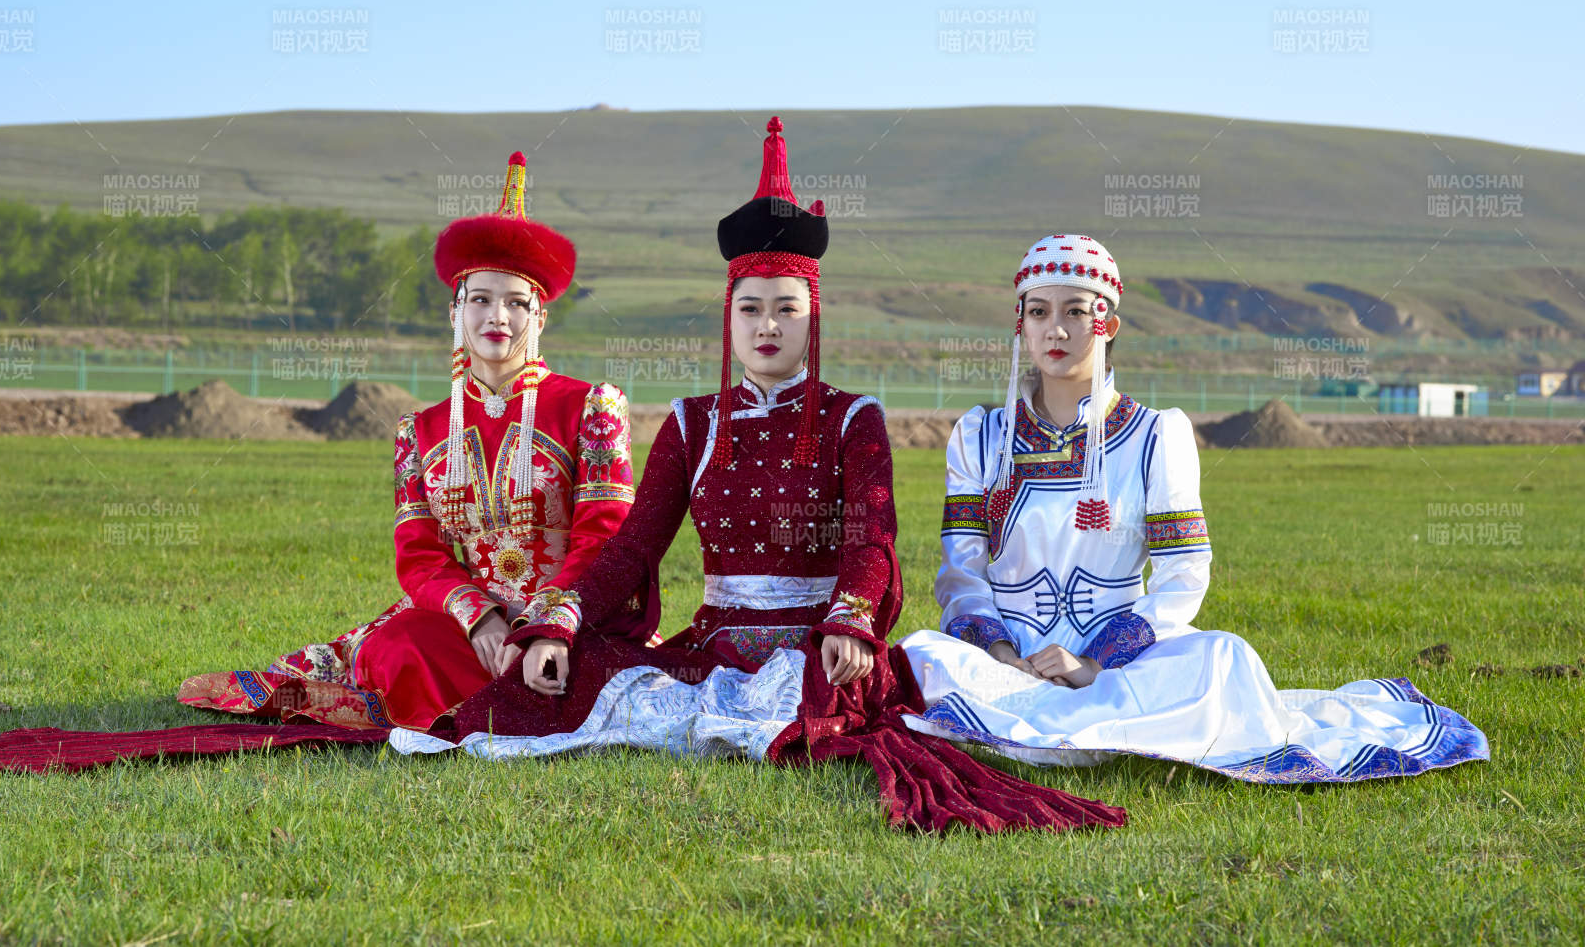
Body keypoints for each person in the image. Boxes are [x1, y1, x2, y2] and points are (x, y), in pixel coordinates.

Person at [391, 120, 1126, 834]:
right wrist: (560, 621)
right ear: (729, 318)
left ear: (814, 316)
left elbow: (872, 539)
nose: (767, 325)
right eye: (751, 309)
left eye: (786, 308)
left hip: (818, 645)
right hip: (714, 644)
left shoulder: (853, 418)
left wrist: (852, 619)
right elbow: (631, 546)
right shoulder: (691, 422)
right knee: (586, 673)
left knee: (801, 697)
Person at [896, 235, 1490, 782]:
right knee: (921, 653)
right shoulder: (980, 436)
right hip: (1007, 663)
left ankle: (1057, 720)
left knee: (1221, 658)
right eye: (1039, 311)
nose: (1057, 329)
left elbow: (1183, 574)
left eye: (1076, 310)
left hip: (1114, 665)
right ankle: (1078, 721)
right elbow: (962, 574)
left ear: (1108, 325)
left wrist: (1091, 665)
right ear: (1020, 326)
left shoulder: (1156, 435)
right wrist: (1005, 654)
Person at [177, 152, 636, 730]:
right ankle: (484, 706)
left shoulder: (591, 406)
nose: (500, 316)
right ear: (456, 311)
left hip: (568, 627)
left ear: (541, 318)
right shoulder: (417, 433)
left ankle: (486, 705)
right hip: (470, 631)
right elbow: (420, 556)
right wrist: (483, 619)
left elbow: (606, 537)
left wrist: (546, 628)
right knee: (397, 646)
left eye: (519, 302)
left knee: (603, 676)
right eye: (482, 299)